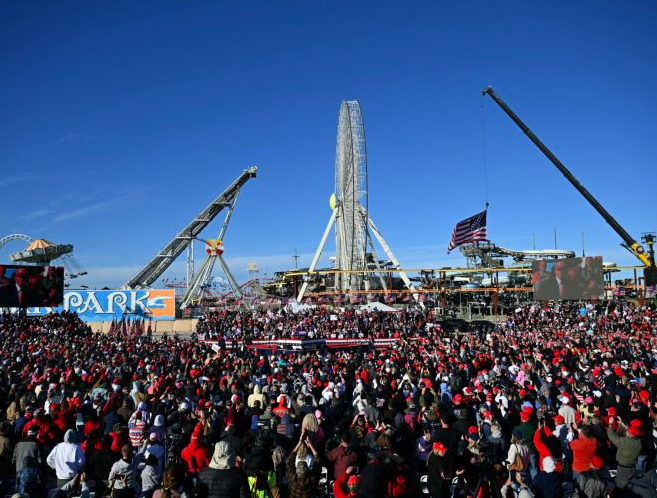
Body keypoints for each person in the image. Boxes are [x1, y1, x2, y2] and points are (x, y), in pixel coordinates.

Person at [607, 418, 642, 489]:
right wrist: (622, 424)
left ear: (629, 434)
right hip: (632, 468)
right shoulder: (639, 443)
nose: (626, 432)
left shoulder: (624, 442)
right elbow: (632, 432)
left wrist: (610, 424)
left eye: (627, 431)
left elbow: (611, 436)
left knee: (620, 486)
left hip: (623, 468)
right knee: (632, 485)